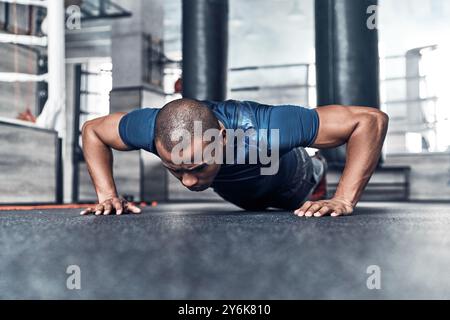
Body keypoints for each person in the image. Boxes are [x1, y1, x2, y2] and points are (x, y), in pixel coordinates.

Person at [80, 98, 388, 218]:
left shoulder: (267, 128)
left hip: (298, 184)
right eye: (175, 170)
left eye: (198, 167)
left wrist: (344, 199)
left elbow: (371, 120)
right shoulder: (154, 131)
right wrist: (107, 195)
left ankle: (318, 163)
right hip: (244, 198)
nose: (187, 182)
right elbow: (93, 130)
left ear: (222, 138)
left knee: (310, 170)